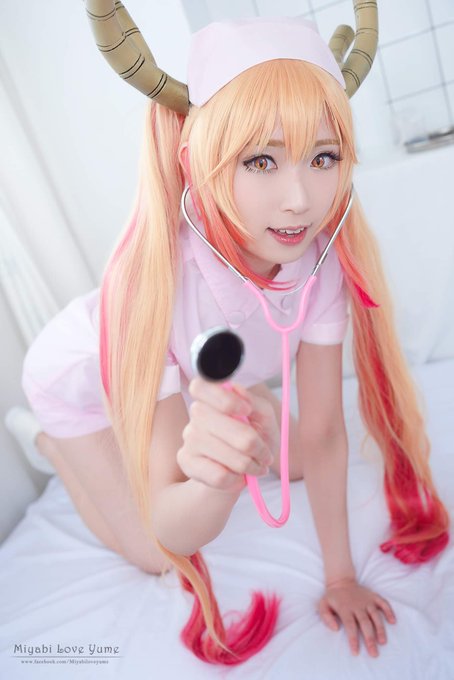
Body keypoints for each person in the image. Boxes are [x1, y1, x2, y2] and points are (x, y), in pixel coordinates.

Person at [13, 2, 449, 668]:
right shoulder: (157, 289)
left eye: (323, 156)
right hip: (83, 380)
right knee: (156, 554)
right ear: (199, 163)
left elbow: (324, 433)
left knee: (288, 458)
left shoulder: (322, 261)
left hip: (184, 379)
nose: (300, 198)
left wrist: (340, 576)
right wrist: (212, 483)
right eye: (261, 161)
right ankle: (53, 443)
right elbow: (172, 517)